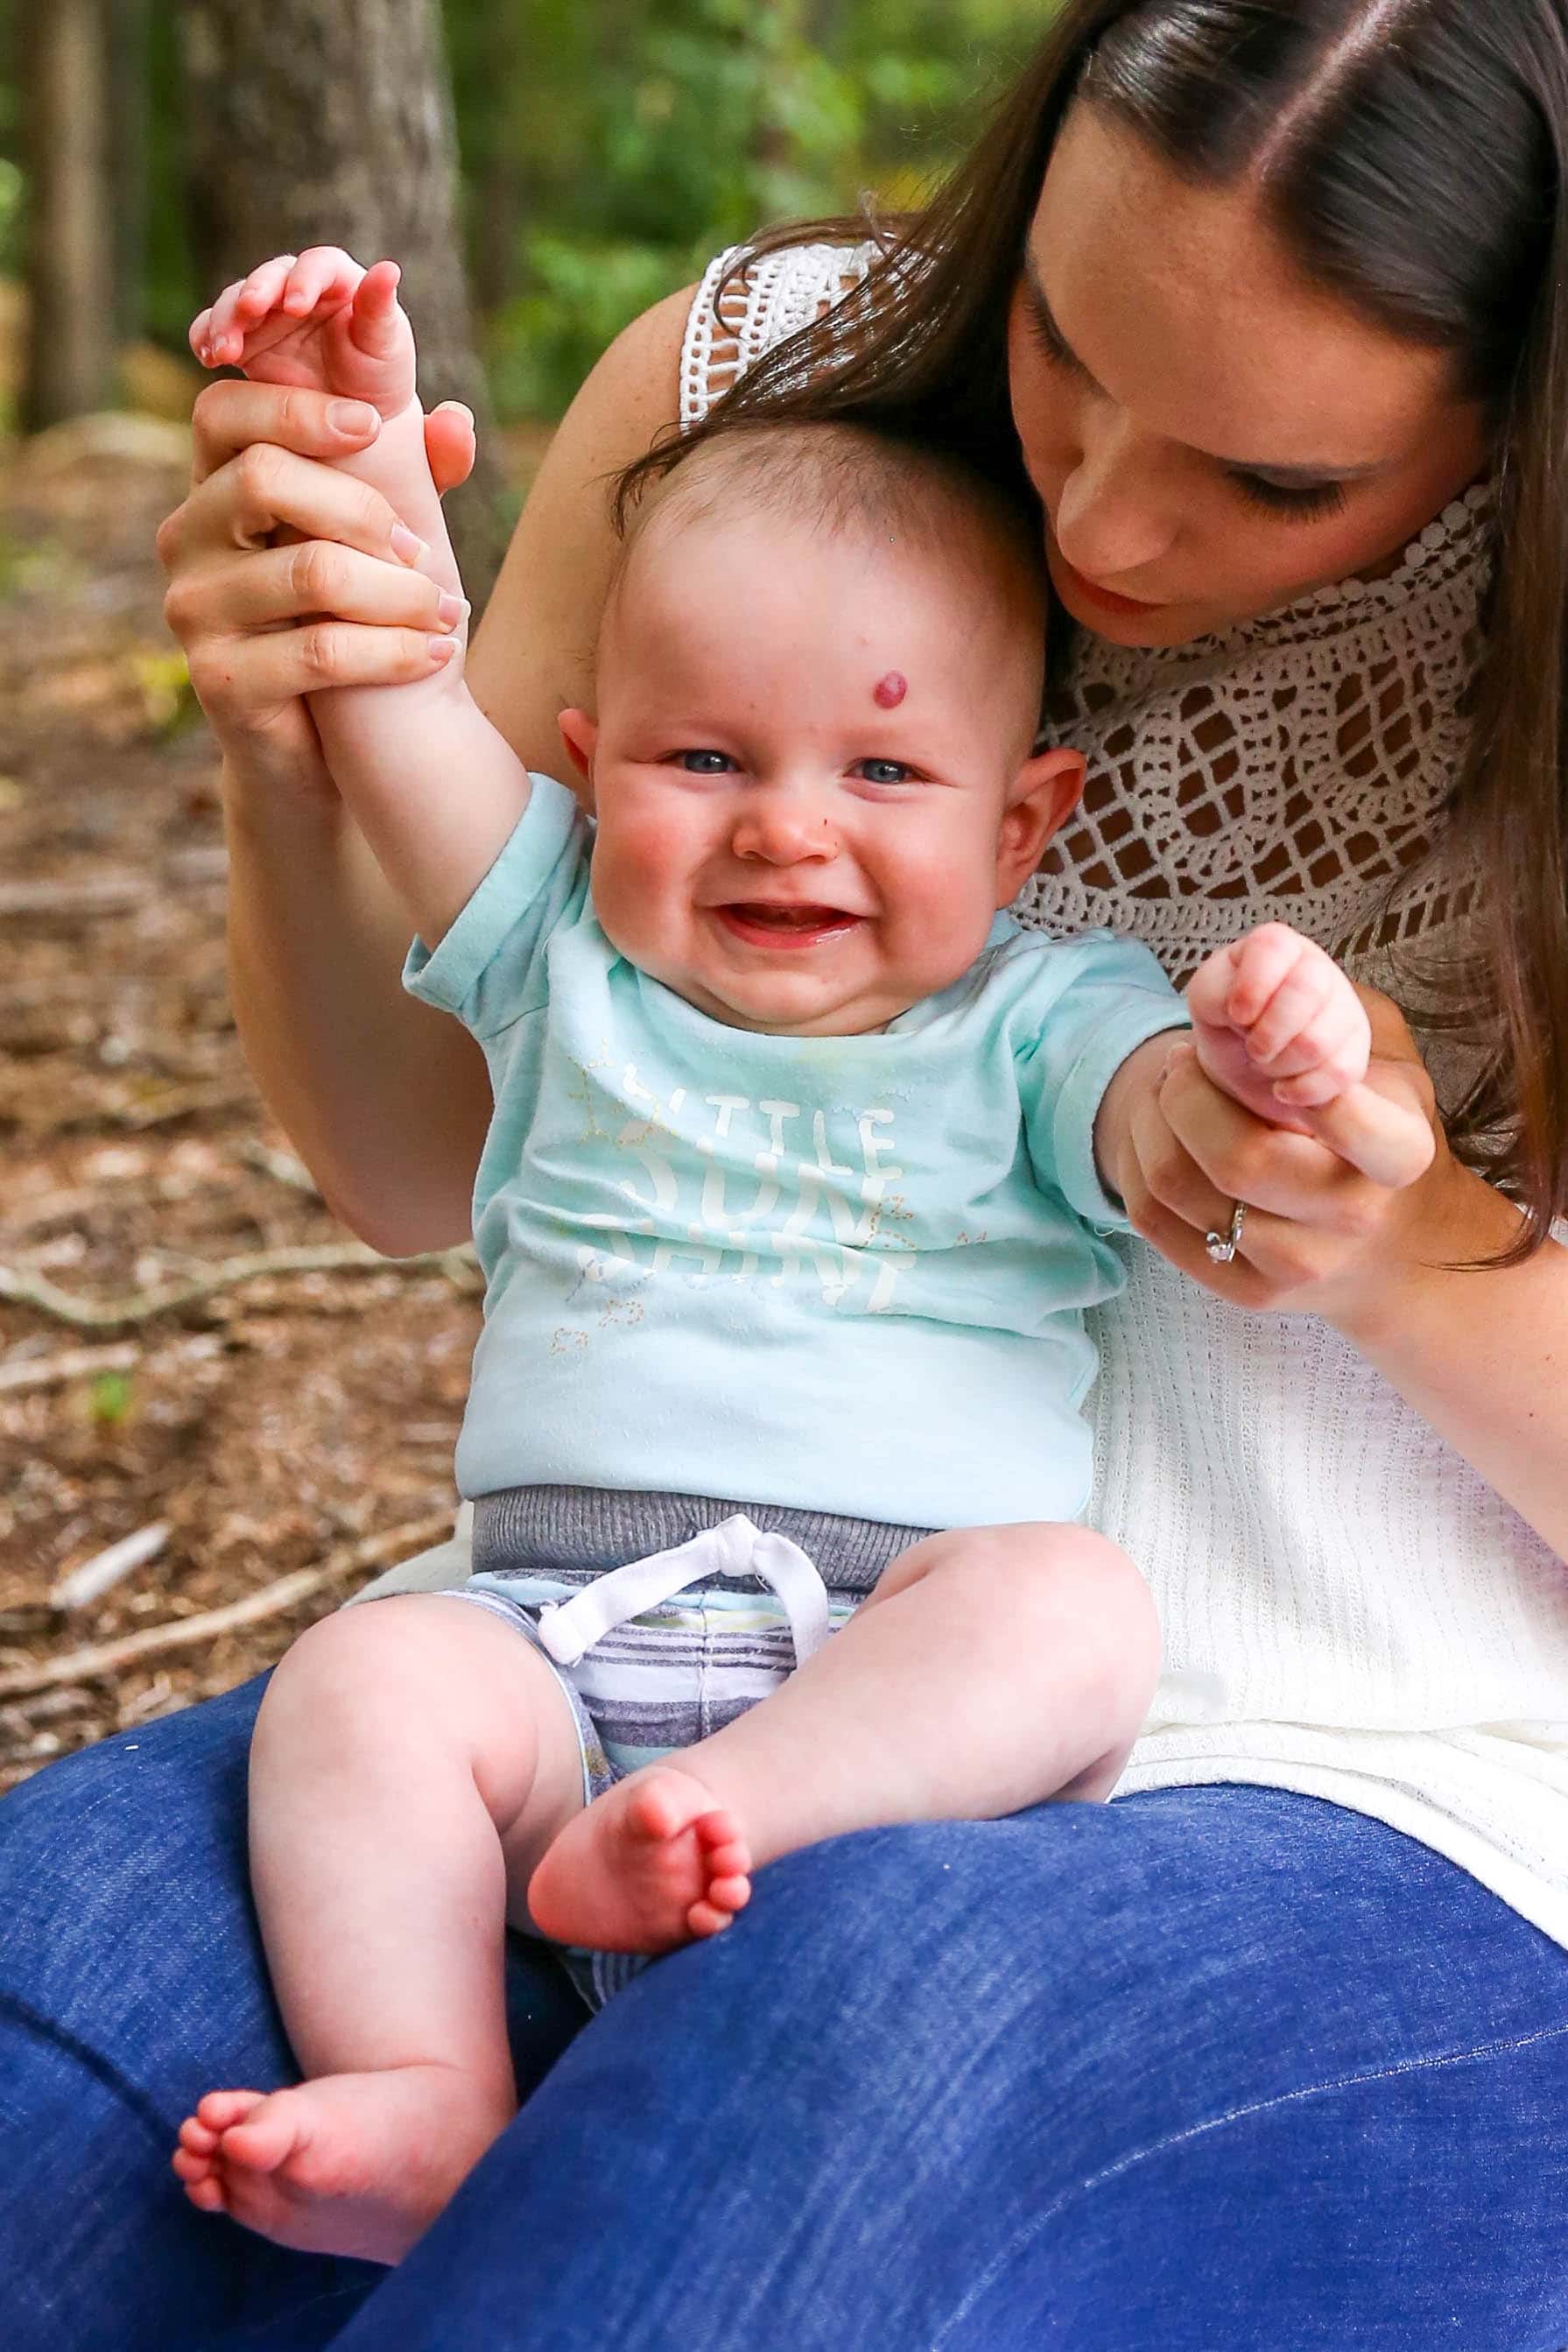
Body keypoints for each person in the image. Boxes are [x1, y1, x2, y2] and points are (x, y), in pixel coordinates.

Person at [6, 1, 1568, 2343]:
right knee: (53, 2033)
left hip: (1378, 1771)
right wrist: (309, 715)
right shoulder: (747, 394)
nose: (1103, 519)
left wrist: (1403, 1248)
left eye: (1266, 484)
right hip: (607, 1624)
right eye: (1062, 347)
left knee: (818, 2062)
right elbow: (427, 1146)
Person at [164, 253, 1433, 2268]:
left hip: (885, 1653)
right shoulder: (557, 943)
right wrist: (356, 466)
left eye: (881, 772)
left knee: (1074, 1606)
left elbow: (1168, 1133)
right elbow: (391, 688)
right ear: (590, 765)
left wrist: (1270, 1057)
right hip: (544, 1632)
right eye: (703, 761)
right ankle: (423, 2083)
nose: (786, 831)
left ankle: (737, 1817)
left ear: (1024, 827)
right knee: (359, 1688)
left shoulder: (1036, 1014)